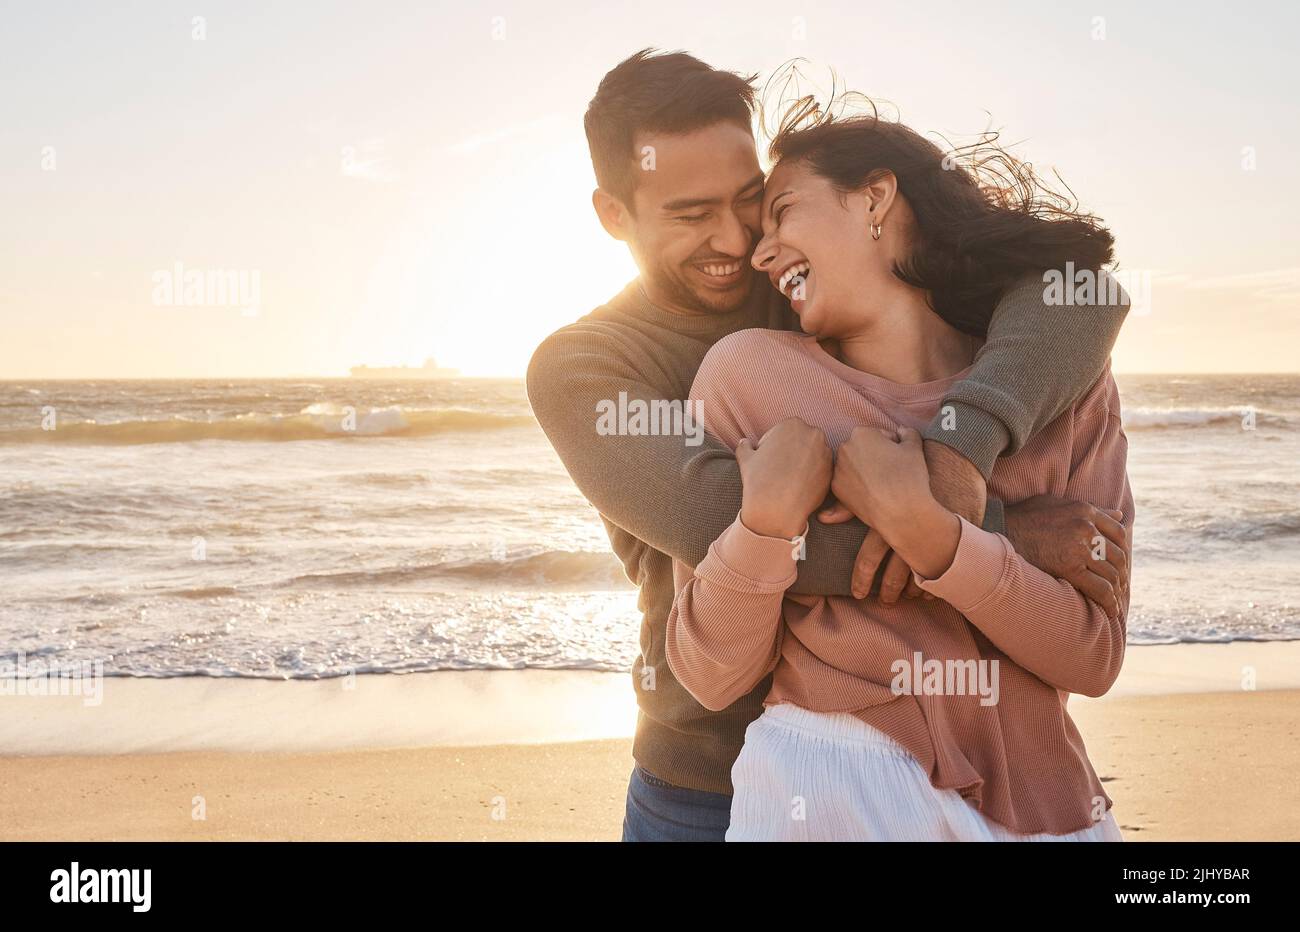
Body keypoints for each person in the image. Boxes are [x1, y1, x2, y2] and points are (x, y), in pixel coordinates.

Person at [525, 49, 1130, 842]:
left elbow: (1076, 298)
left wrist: (960, 457)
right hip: (705, 773)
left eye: (753, 201)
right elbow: (719, 517)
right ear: (614, 215)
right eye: (690, 213)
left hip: (979, 760)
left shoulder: (821, 285)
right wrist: (999, 536)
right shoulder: (588, 364)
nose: (739, 240)